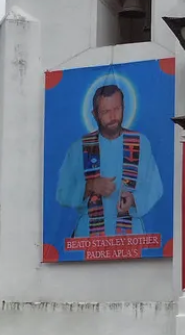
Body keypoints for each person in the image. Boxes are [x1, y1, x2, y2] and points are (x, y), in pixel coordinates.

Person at [54, 84, 165, 243]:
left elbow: (155, 187)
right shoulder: (78, 148)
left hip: (130, 237)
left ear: (124, 107)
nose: (113, 116)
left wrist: (134, 200)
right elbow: (62, 193)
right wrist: (90, 186)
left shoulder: (140, 143)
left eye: (117, 109)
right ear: (94, 114)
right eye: (106, 112)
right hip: (88, 237)